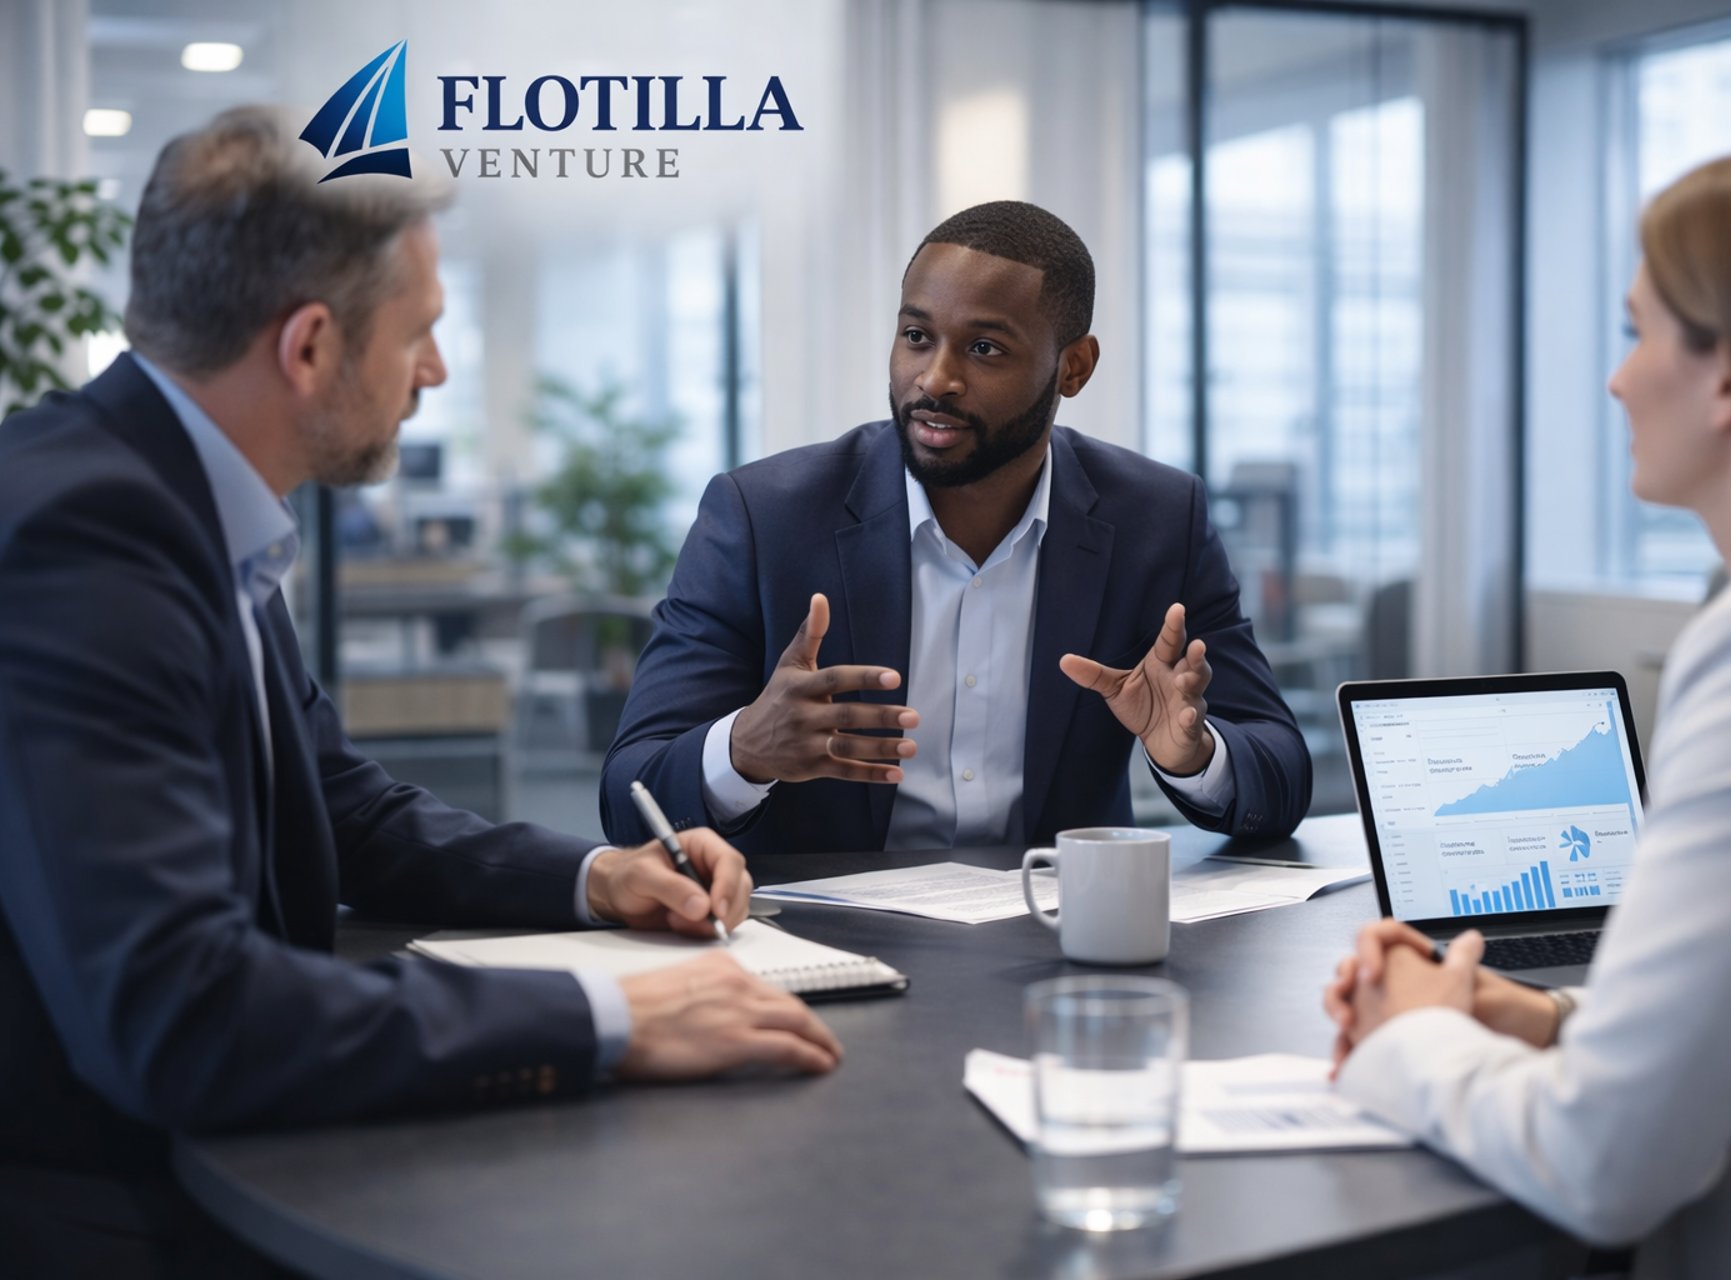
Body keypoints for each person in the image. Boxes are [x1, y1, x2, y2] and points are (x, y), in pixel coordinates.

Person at [0, 106, 840, 1275]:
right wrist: (610, 1018)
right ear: (308, 347)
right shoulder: (88, 535)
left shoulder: (177, 496)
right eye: (421, 334)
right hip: (101, 1207)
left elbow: (339, 806)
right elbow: (176, 1010)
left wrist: (597, 876)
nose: (435, 371)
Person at [1322, 126, 1731, 1277]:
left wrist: (1417, 1034)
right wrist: (1547, 1018)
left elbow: (1602, 1162)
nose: (1616, 376)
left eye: (1638, 331)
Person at [601, 201, 1312, 855]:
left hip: (1056, 945)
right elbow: (629, 793)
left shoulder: (1156, 520)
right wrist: (742, 751)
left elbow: (1279, 771)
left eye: (984, 350)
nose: (935, 379)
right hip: (822, 947)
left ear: (1074, 367)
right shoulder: (763, 517)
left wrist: (1191, 754)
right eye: (917, 336)